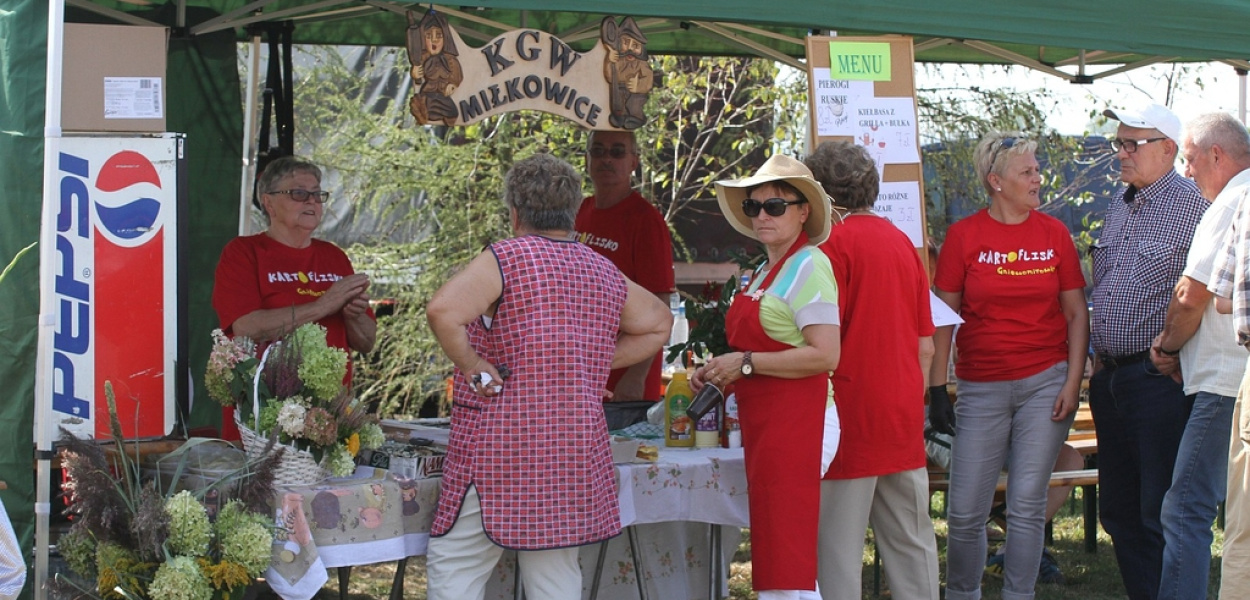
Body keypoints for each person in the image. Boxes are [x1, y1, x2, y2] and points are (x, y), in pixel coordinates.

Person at [423, 153, 671, 600]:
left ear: (515, 211)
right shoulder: (600, 267)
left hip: (503, 444)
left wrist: (475, 367)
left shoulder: (507, 256)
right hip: (571, 448)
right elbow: (658, 322)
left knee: (456, 564)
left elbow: (443, 311)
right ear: (574, 212)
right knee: (555, 575)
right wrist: (586, 361)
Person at [930, 131, 1088, 600]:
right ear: (996, 182)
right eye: (1028, 172)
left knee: (1025, 503)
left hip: (1046, 382)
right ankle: (963, 593)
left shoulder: (1054, 234)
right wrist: (938, 388)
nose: (1038, 178)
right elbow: (944, 320)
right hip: (981, 387)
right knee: (964, 511)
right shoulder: (964, 237)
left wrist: (1073, 380)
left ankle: (1019, 595)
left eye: (1037, 169)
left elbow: (1077, 313)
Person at [691, 153, 840, 600]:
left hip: (803, 420)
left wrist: (747, 363)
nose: (761, 215)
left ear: (802, 212)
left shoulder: (810, 266)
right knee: (779, 552)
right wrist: (721, 369)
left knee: (785, 555)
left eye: (775, 206)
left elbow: (826, 354)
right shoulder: (760, 273)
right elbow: (756, 351)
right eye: (753, 206)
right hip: (768, 423)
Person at [804, 141, 940, 600]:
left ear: (819, 192)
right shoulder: (901, 242)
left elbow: (818, 339)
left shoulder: (826, 247)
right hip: (900, 412)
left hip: (847, 413)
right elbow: (927, 344)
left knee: (837, 552)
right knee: (912, 541)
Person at [1090, 103, 1207, 600]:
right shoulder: (1122, 201)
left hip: (1158, 378)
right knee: (1117, 510)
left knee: (1158, 511)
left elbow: (1202, 294)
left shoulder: (1195, 205)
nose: (1122, 153)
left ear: (1168, 149)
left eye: (1132, 144)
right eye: (1119, 143)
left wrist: (1177, 350)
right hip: (1111, 378)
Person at [1146, 112, 1250, 600]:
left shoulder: (1233, 198)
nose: (1187, 173)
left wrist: (1167, 347)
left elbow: (1194, 293)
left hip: (1225, 384)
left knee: (1186, 507)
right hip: (1232, 379)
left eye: (1188, 160)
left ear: (1216, 155)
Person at [212, 156, 376, 438]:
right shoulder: (243, 252)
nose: (312, 201)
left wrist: (353, 314)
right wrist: (324, 305)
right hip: (264, 414)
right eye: (299, 193)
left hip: (326, 420)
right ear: (269, 202)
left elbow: (366, 342)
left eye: (317, 194)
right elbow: (246, 327)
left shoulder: (334, 256)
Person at [576, 129, 675, 401]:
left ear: (634, 162)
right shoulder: (579, 211)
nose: (607, 159)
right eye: (598, 151)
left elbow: (661, 304)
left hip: (624, 379)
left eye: (617, 152)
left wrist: (637, 376)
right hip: (578, 370)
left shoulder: (646, 221)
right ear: (587, 159)